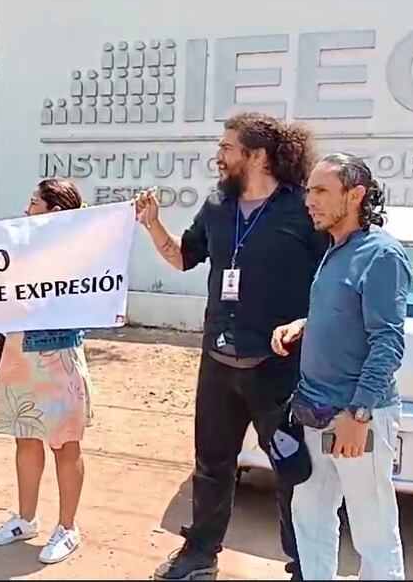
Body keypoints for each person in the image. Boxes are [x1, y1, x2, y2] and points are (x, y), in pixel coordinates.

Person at [135, 112, 326, 581]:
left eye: (227, 148)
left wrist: (307, 324)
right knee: (211, 464)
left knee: (290, 467)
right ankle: (200, 553)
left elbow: (331, 281)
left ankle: (305, 563)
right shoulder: (218, 205)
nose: (218, 156)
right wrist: (153, 226)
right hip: (218, 362)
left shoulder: (301, 210)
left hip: (278, 366)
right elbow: (183, 258)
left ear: (257, 156)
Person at [271, 153, 410, 580]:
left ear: (355, 196)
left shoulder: (382, 255)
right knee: (310, 522)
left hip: (353, 423)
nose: (308, 200)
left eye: (320, 191)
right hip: (314, 415)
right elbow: (347, 315)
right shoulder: (336, 250)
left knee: (373, 534)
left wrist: (359, 415)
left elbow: (388, 341)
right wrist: (303, 326)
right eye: (309, 190)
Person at [0, 178, 93, 565]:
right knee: (25, 438)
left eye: (33, 204)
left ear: (54, 213)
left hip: (57, 355)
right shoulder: (18, 248)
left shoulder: (80, 254)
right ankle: (25, 519)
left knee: (64, 443)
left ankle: (67, 527)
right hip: (20, 351)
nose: (26, 211)